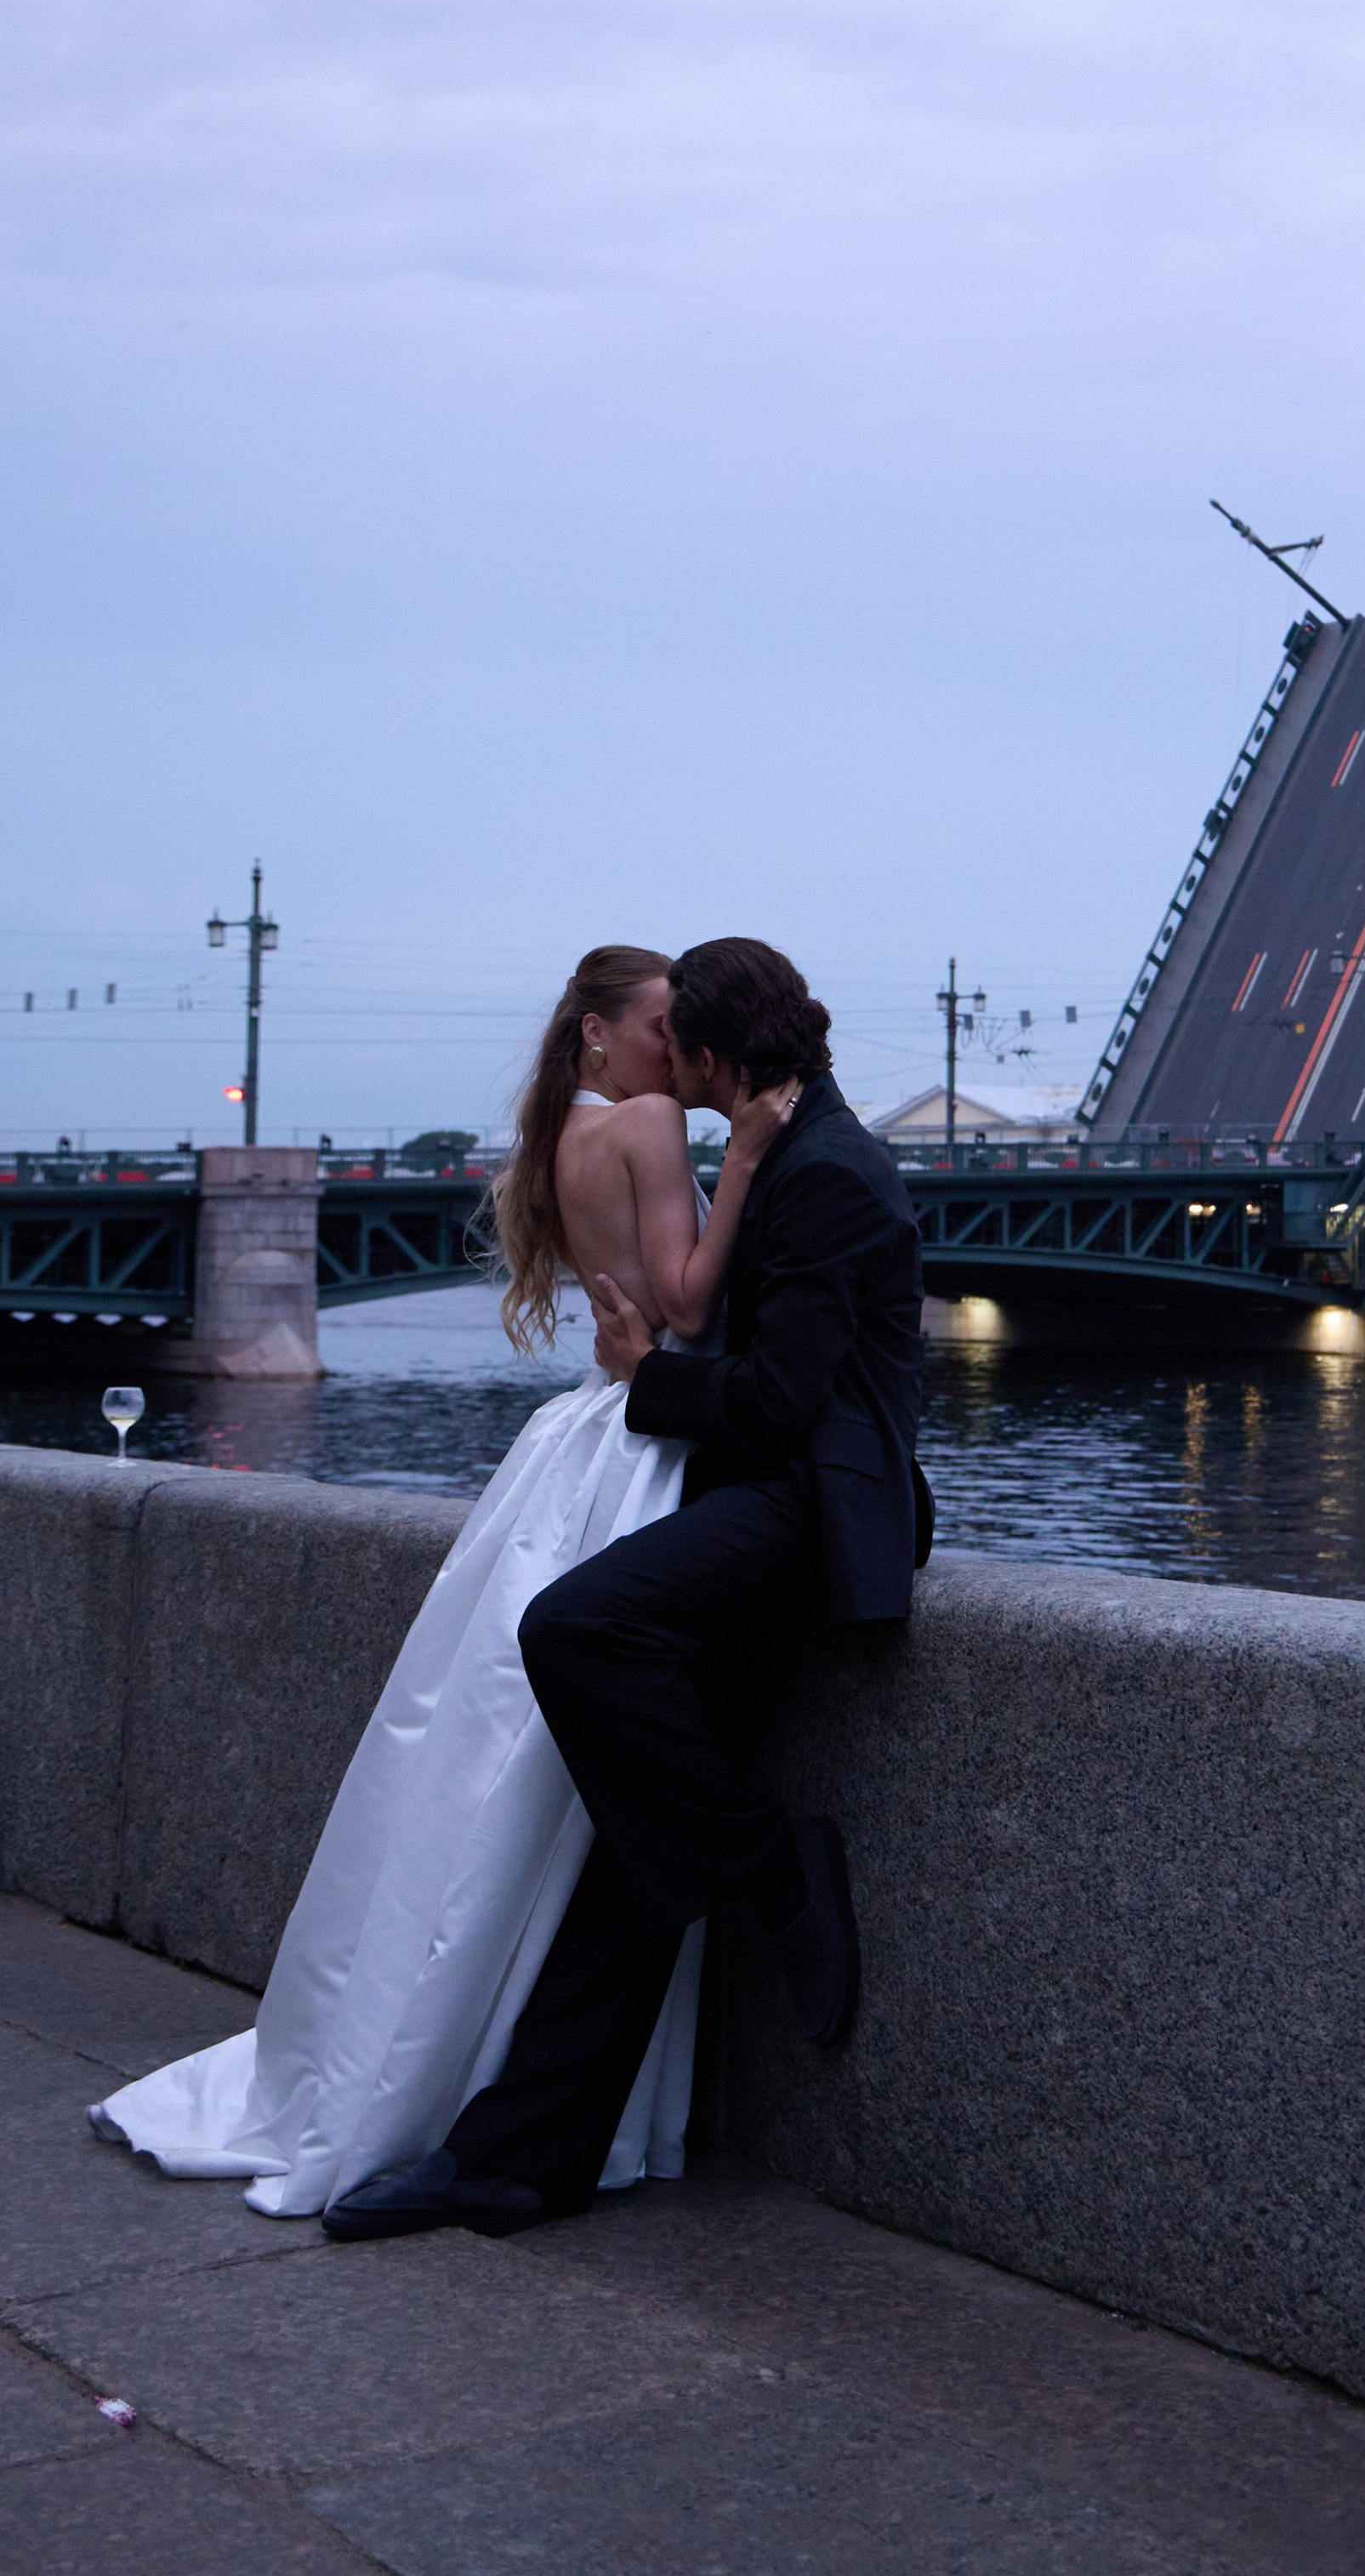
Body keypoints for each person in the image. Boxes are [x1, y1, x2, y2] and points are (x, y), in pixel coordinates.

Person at [85, 944, 803, 2217]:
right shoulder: (647, 1123)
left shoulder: (561, 1137)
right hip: (642, 1445)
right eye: (653, 1023)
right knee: (577, 1767)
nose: (672, 1048)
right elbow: (688, 1311)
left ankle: (441, 2061)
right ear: (596, 1033)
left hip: (571, 1443)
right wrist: (743, 1158)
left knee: (485, 1753)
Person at [316, 934, 928, 2241]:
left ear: (713, 1053)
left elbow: (777, 1404)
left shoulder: (831, 1175)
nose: (668, 1068)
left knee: (574, 1628)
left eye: (679, 1047)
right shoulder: (789, 1147)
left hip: (804, 1503)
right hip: (731, 1482)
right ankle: (521, 2159)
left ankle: (768, 1859)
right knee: (631, 1831)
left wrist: (644, 1370)